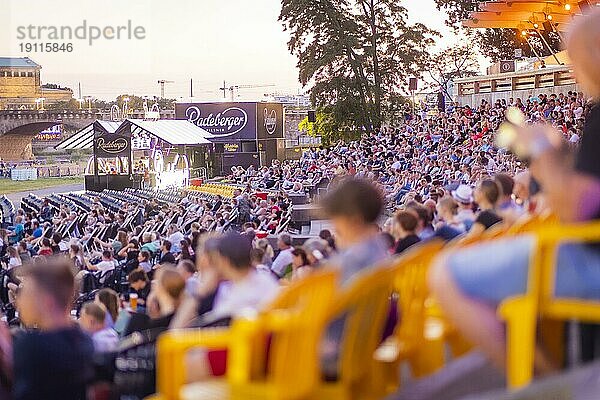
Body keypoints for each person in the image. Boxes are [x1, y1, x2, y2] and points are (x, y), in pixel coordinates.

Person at [430, 9, 600, 373]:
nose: (571, 69)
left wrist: (540, 153)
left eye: (574, 58)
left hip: (592, 260)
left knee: (445, 274)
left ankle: (547, 382)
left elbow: (577, 209)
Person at [319, 178, 389, 378]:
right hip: (363, 343)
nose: (334, 228)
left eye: (336, 220)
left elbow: (324, 309)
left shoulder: (352, 260)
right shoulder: (379, 248)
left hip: (335, 352)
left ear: (354, 220)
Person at [12, 261, 94, 400]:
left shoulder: (31, 346)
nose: (19, 301)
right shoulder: (85, 339)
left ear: (46, 301)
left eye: (26, 295)